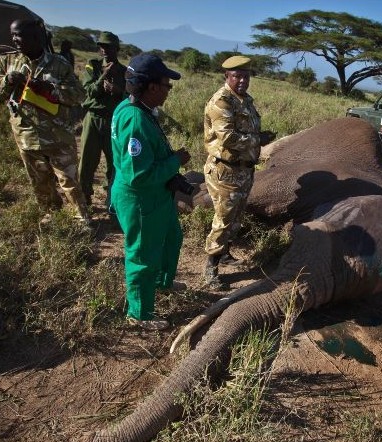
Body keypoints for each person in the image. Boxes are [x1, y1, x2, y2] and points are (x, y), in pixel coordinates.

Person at [110, 53, 190, 331]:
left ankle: (162, 282)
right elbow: (138, 175)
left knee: (171, 238)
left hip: (158, 197)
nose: (169, 91)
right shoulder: (134, 119)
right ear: (153, 87)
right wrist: (175, 162)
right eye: (167, 85)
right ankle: (140, 313)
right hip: (141, 200)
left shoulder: (138, 109)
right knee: (142, 255)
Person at [0, 19, 90, 225]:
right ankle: (51, 214)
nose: (14, 39)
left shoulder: (59, 64)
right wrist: (7, 81)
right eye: (13, 34)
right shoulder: (6, 62)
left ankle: (80, 219)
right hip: (26, 134)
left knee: (68, 180)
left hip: (58, 135)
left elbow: (78, 95)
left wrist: (49, 89)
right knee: (40, 180)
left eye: (19, 35)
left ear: (36, 38)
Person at [203, 55, 274, 289]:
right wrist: (258, 140)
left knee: (236, 216)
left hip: (243, 169)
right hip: (225, 170)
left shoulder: (245, 100)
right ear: (227, 76)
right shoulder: (221, 101)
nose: (242, 80)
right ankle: (211, 267)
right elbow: (228, 137)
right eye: (237, 76)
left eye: (246, 76)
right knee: (223, 219)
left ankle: (224, 253)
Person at [77, 31, 127, 213]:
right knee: (87, 160)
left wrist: (117, 90)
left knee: (114, 162)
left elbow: (130, 97)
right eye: (102, 46)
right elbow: (88, 92)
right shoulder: (93, 66)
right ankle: (84, 197)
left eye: (109, 46)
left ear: (117, 48)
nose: (105, 50)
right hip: (93, 118)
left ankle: (111, 197)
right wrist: (102, 78)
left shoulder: (124, 72)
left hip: (113, 120)